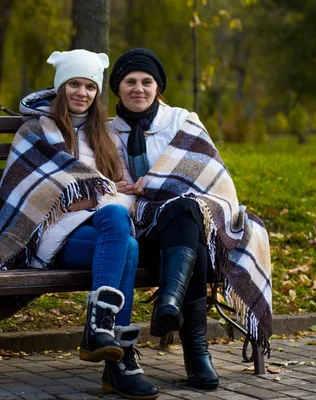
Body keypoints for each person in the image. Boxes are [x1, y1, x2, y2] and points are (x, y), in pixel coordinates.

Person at [0, 49, 158, 400]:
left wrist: (94, 193)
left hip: (101, 235)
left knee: (125, 237)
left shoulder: (105, 136)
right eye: (74, 84)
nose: (82, 93)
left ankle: (101, 333)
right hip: (50, 238)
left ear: (97, 94)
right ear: (61, 87)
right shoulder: (36, 131)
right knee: (120, 232)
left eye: (90, 87)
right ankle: (120, 359)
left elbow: (115, 192)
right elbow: (35, 195)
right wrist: (96, 192)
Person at [109, 48, 273, 390]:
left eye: (146, 81)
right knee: (191, 232)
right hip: (135, 231)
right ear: (118, 88)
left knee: (186, 208)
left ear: (158, 87)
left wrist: (155, 185)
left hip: (181, 228)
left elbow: (206, 176)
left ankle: (171, 305)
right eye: (130, 82)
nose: (138, 88)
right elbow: (103, 183)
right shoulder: (106, 132)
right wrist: (122, 187)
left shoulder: (182, 121)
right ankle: (195, 352)